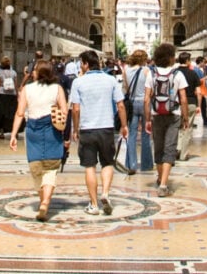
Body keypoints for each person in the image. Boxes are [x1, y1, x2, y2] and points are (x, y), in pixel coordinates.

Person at [69, 50, 127, 215]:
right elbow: (120, 105)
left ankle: (94, 205)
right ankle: (106, 194)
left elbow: (75, 109)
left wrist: (75, 128)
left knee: (89, 166)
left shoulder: (78, 82)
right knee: (107, 163)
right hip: (106, 128)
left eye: (82, 63)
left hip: (87, 129)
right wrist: (124, 125)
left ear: (87, 64)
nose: (81, 66)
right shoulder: (111, 80)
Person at [11, 60, 68, 221]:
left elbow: (20, 113)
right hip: (52, 130)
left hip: (33, 130)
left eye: (35, 70)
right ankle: (46, 202)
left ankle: (42, 200)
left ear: (40, 72)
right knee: (51, 168)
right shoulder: (57, 88)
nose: (33, 72)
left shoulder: (27, 89)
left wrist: (14, 134)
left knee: (36, 168)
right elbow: (64, 111)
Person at [144, 43, 189, 196]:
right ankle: (163, 184)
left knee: (158, 146)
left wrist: (147, 119)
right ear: (170, 57)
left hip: (156, 114)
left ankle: (159, 177)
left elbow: (146, 99)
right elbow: (183, 99)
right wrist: (185, 117)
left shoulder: (152, 74)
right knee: (170, 147)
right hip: (173, 114)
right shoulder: (178, 75)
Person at [122, 49, 153, 173]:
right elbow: (150, 90)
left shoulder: (125, 70)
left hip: (132, 103)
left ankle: (131, 164)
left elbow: (124, 89)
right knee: (146, 133)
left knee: (132, 134)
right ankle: (146, 164)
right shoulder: (147, 71)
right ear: (144, 59)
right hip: (145, 103)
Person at [175, 51, 200, 161]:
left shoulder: (174, 73)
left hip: (176, 104)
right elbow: (198, 91)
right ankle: (183, 154)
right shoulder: (193, 73)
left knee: (178, 127)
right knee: (187, 128)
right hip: (190, 103)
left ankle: (178, 149)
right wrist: (199, 105)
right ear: (187, 61)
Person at [0, 57, 19, 139]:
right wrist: (17, 94)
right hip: (12, 95)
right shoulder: (14, 73)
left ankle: (1, 133)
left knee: (1, 114)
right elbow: (16, 85)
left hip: (2, 94)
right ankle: (15, 132)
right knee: (12, 113)